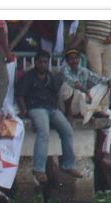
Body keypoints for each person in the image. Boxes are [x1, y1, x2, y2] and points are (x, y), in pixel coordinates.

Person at [16, 50, 83, 185]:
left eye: (45, 62)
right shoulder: (28, 76)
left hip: (51, 108)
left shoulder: (51, 77)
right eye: (40, 62)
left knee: (67, 130)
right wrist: (23, 109)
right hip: (35, 108)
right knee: (44, 132)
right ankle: (38, 169)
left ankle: (68, 165)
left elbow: (60, 94)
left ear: (48, 64)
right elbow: (20, 95)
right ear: (36, 63)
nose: (43, 64)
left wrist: (66, 112)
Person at [59, 47, 111, 124]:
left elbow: (96, 78)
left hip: (80, 103)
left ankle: (92, 111)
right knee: (67, 86)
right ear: (67, 60)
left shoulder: (83, 70)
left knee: (104, 85)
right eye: (71, 59)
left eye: (76, 58)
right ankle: (69, 113)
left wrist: (109, 81)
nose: (74, 61)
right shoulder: (64, 69)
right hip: (65, 106)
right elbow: (74, 83)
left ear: (79, 59)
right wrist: (86, 92)